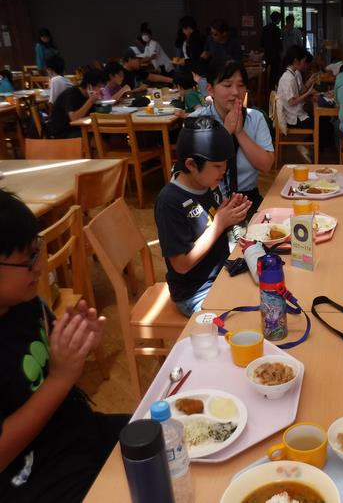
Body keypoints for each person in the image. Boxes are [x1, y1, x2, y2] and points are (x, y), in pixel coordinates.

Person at [0, 190, 129, 502]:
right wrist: (60, 379)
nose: (40, 267)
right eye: (26, 260)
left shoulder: (25, 304)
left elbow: (55, 373)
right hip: (33, 474)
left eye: (38, 252)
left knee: (170, 436)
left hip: (75, 433)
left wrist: (77, 348)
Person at [155, 117, 251, 316]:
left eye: (225, 164)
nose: (223, 171)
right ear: (191, 164)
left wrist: (230, 212)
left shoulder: (207, 184)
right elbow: (181, 265)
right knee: (246, 320)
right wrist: (219, 224)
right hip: (195, 292)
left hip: (222, 274)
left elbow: (213, 221)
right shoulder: (169, 202)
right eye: (217, 166)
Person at [190, 60, 274, 215]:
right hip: (209, 200)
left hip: (247, 199)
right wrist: (226, 132)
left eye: (241, 85)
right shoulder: (196, 122)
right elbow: (196, 173)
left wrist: (239, 132)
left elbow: (266, 166)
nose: (236, 92)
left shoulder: (255, 118)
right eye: (227, 85)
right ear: (210, 89)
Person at [49, 69, 105, 139]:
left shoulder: (89, 95)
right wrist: (91, 101)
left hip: (79, 128)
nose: (100, 90)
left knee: (107, 134)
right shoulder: (72, 94)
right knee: (99, 139)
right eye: (99, 87)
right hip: (63, 132)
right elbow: (74, 118)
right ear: (89, 86)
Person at [277, 45, 317, 130]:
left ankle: (311, 141)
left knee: (320, 120)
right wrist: (308, 93)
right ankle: (313, 142)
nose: (304, 64)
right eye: (304, 61)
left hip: (295, 113)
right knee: (321, 123)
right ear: (296, 61)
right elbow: (291, 102)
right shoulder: (288, 78)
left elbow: (297, 94)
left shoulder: (292, 74)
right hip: (292, 118)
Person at [261, 11, 283, 92]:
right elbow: (279, 44)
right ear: (277, 19)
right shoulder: (277, 30)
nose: (280, 21)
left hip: (267, 55)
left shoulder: (265, 28)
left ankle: (264, 89)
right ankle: (272, 90)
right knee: (274, 74)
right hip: (275, 56)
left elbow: (262, 43)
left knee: (265, 74)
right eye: (279, 19)